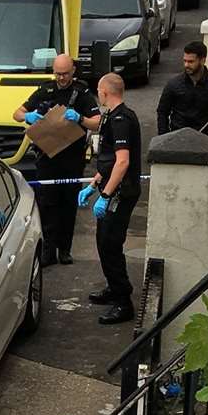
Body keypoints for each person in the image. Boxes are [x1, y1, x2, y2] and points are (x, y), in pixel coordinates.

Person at [13, 52, 102, 265]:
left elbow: (98, 122)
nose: (61, 78)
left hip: (71, 157)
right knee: (47, 204)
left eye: (65, 74)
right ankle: (47, 250)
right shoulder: (46, 90)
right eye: (58, 74)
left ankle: (64, 249)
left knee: (68, 204)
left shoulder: (82, 93)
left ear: (73, 71)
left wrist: (80, 118)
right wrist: (28, 116)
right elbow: (16, 113)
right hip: (47, 156)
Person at [76, 73, 142, 325]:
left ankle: (123, 301)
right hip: (110, 187)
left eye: (99, 91)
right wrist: (93, 184)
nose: (98, 95)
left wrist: (105, 195)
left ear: (105, 92)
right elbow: (110, 160)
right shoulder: (111, 118)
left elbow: (123, 162)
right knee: (103, 242)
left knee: (110, 244)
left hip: (120, 192)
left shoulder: (122, 119)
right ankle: (114, 288)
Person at [157, 40, 208, 141]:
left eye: (191, 61)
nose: (186, 65)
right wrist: (164, 137)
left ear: (203, 60)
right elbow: (162, 111)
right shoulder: (173, 84)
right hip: (177, 140)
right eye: (185, 61)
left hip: (203, 140)